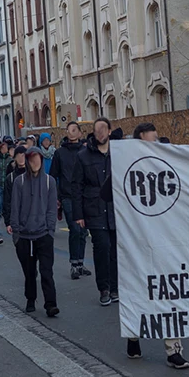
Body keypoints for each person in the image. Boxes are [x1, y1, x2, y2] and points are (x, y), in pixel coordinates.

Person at [121, 123, 189, 369]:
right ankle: (133, 335)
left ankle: (173, 351)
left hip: (165, 238)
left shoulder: (167, 162)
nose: (158, 139)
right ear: (142, 137)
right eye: (155, 136)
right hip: (137, 239)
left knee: (169, 292)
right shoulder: (127, 163)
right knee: (138, 290)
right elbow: (108, 194)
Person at [9, 147, 60, 317]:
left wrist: (50, 230)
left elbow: (52, 209)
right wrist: (16, 234)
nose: (35, 162)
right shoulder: (20, 182)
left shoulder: (49, 182)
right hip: (24, 235)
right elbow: (14, 208)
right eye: (31, 159)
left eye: (37, 159)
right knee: (29, 272)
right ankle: (30, 298)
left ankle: (50, 304)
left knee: (47, 271)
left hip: (44, 234)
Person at [72, 118, 118, 306]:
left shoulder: (118, 153)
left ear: (109, 131)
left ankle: (116, 287)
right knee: (102, 248)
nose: (99, 133)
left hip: (116, 210)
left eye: (103, 129)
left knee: (115, 251)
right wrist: (78, 214)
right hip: (95, 208)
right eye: (96, 130)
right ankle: (104, 288)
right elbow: (76, 186)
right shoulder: (84, 156)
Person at [50, 122, 92, 280]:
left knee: (83, 231)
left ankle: (80, 263)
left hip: (85, 196)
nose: (72, 132)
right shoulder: (60, 153)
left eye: (75, 130)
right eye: (69, 130)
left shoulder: (86, 151)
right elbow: (53, 175)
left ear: (80, 133)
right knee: (74, 228)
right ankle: (74, 264)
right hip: (68, 195)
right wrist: (56, 197)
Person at [3, 146, 29, 225]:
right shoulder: (10, 178)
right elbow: (7, 201)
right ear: (14, 158)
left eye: (23, 156)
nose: (21, 159)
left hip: (32, 217)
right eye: (18, 156)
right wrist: (8, 222)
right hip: (17, 218)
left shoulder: (33, 175)